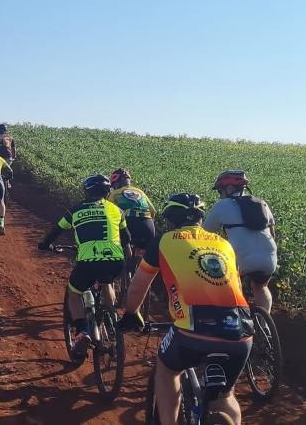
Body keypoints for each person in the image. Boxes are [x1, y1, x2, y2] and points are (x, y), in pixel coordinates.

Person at [119, 193, 253, 425]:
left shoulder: (164, 241)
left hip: (192, 331)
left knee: (167, 370)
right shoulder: (224, 244)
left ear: (171, 219)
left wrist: (131, 314)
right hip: (240, 332)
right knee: (226, 394)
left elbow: (138, 285)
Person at [38, 174, 129, 356]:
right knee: (106, 283)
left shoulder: (75, 211)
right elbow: (127, 239)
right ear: (107, 191)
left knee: (74, 293)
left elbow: (56, 231)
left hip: (88, 262)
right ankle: (111, 322)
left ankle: (83, 331)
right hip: (114, 261)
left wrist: (44, 245)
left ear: (87, 192)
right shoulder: (116, 210)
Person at [202, 170, 278, 313]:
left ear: (229, 189)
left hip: (242, 258)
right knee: (261, 287)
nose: (220, 195)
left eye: (220, 191)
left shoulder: (221, 205)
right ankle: (265, 325)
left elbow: (203, 234)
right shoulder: (262, 204)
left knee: (233, 286)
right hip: (269, 256)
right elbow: (273, 233)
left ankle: (240, 319)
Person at [108, 168, 157, 255]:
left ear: (116, 183)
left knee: (122, 246)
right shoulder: (140, 192)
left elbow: (108, 212)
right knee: (143, 253)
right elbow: (153, 211)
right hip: (147, 225)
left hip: (128, 223)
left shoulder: (115, 193)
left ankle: (127, 262)